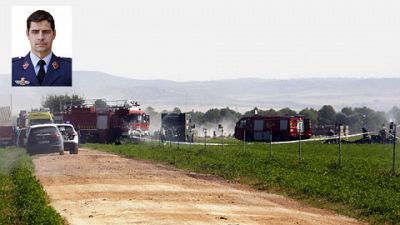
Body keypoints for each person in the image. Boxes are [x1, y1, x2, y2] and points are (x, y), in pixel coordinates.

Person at [12, 10, 72, 87]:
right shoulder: (12, 68)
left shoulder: (69, 68)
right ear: (27, 34)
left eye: (46, 32)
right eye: (35, 32)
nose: (41, 37)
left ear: (54, 34)